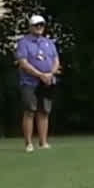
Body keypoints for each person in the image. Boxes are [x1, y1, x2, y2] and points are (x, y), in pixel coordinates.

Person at [15, 14, 61, 152]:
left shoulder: (49, 43)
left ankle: (43, 142)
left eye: (41, 25)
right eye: (36, 25)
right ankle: (29, 144)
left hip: (47, 82)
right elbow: (23, 63)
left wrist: (50, 74)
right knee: (30, 111)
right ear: (30, 27)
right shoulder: (24, 43)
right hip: (30, 82)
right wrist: (40, 74)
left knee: (44, 111)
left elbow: (56, 61)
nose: (39, 27)